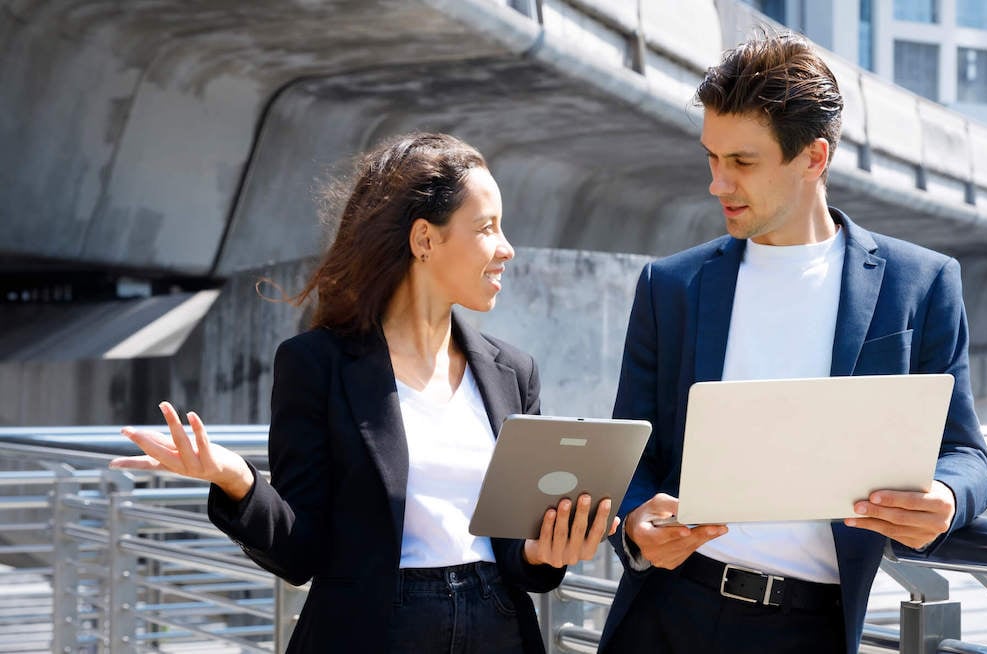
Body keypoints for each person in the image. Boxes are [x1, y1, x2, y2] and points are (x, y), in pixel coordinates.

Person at [111, 133, 617, 653]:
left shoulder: (513, 371)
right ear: (425, 240)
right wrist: (237, 479)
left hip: (499, 630)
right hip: (372, 634)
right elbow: (299, 552)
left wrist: (543, 551)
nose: (507, 248)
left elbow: (520, 559)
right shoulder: (316, 365)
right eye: (487, 228)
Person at [598, 32, 987, 654]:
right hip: (668, 617)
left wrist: (946, 497)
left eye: (743, 163)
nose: (718, 184)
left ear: (814, 157)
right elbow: (631, 454)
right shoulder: (670, 286)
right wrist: (640, 519)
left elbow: (966, 455)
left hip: (812, 628)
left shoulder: (921, 283)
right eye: (712, 157)